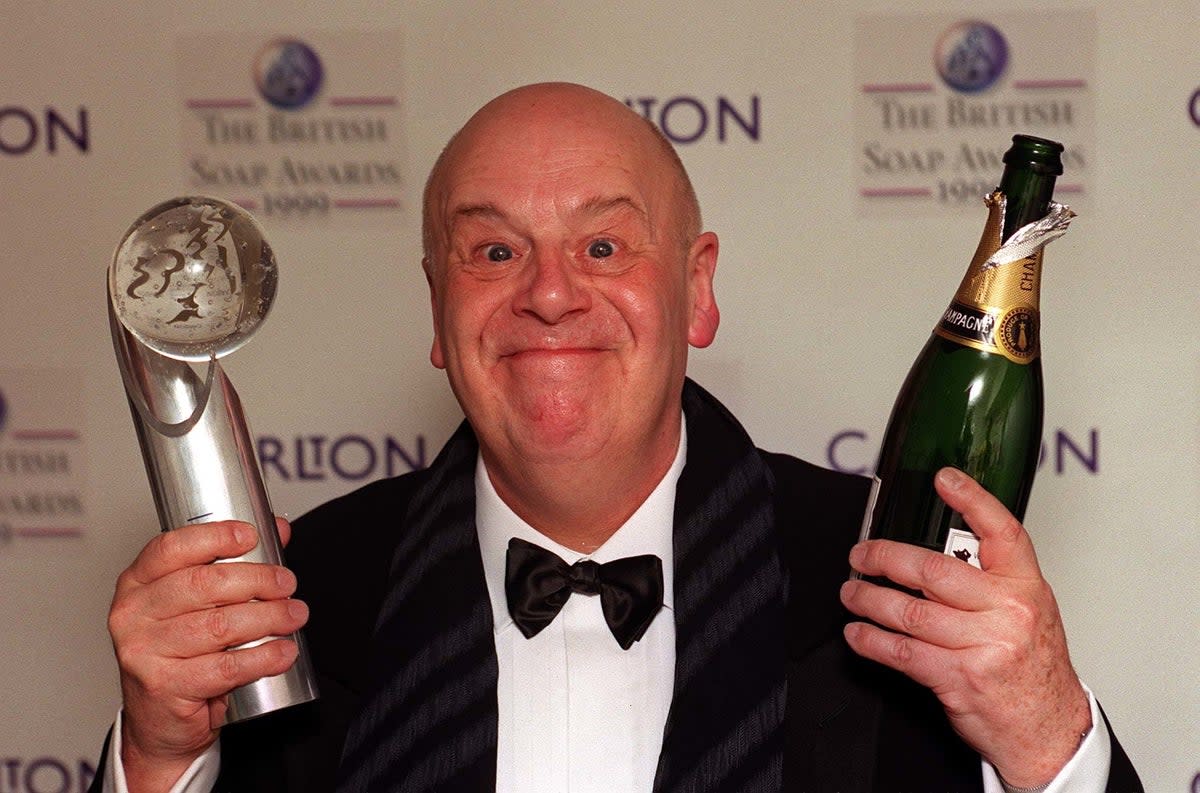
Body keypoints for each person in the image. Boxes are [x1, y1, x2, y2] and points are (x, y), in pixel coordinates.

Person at [91, 82, 1141, 792]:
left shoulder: (890, 574)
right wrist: (156, 754)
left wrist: (1051, 734)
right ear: (436, 310)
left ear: (697, 289)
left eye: (603, 243)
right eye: (494, 249)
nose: (550, 294)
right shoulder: (299, 596)